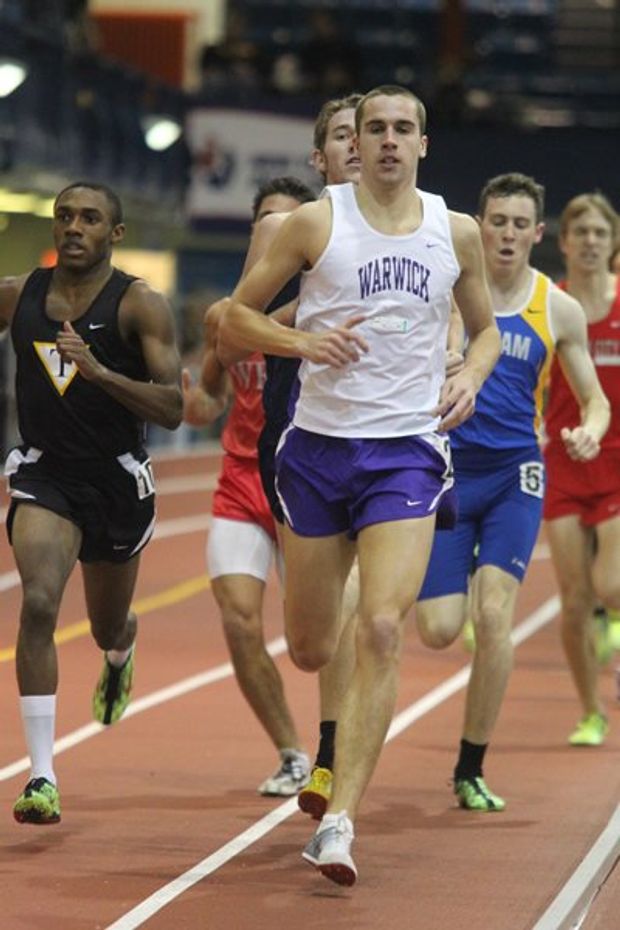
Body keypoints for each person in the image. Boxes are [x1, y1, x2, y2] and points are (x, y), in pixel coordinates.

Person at [222, 84, 501, 886]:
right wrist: (300, 344)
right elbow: (232, 319)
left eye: (402, 128)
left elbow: (486, 331)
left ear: (423, 143)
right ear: (356, 141)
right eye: (374, 127)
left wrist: (470, 376)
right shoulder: (316, 223)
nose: (386, 139)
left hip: (407, 449)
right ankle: (332, 761)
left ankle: (340, 820)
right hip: (316, 450)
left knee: (382, 626)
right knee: (313, 646)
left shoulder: (455, 230)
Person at [415, 174, 610, 812]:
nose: (506, 234)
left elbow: (595, 400)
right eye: (497, 221)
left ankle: (470, 766)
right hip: (448, 473)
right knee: (440, 629)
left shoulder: (557, 307)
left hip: (514, 477)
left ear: (537, 233)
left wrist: (589, 432)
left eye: (519, 224)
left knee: (495, 616)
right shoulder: (444, 290)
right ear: (480, 225)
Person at [0, 181, 183, 825]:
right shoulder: (20, 295)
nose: (74, 227)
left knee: (107, 623)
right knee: (39, 603)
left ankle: (120, 651)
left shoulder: (139, 305)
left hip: (114, 481)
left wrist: (100, 372)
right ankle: (42, 776)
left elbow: (173, 406)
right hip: (46, 474)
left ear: (115, 233)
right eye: (65, 217)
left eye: (90, 218)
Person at [183, 176, 317, 796]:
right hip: (241, 480)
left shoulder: (323, 306)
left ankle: (338, 744)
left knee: (316, 640)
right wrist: (197, 405)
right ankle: (292, 752)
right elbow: (211, 393)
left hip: (305, 481)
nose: (276, 233)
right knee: (239, 620)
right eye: (266, 222)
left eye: (289, 223)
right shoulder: (227, 316)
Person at [543, 192, 619, 744]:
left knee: (610, 585)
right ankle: (591, 710)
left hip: (618, 459)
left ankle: (614, 619)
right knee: (573, 602)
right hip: (565, 460)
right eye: (581, 233)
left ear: (612, 244)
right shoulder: (551, 305)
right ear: (564, 242)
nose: (591, 241)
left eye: (600, 233)